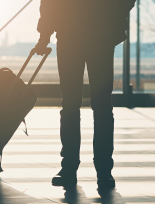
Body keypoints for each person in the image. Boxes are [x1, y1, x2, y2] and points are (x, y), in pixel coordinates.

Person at [34, 0, 136, 190]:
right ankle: (104, 171)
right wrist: (113, 17)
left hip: (71, 36)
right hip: (101, 35)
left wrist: (44, 36)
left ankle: (70, 168)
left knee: (71, 105)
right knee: (102, 106)